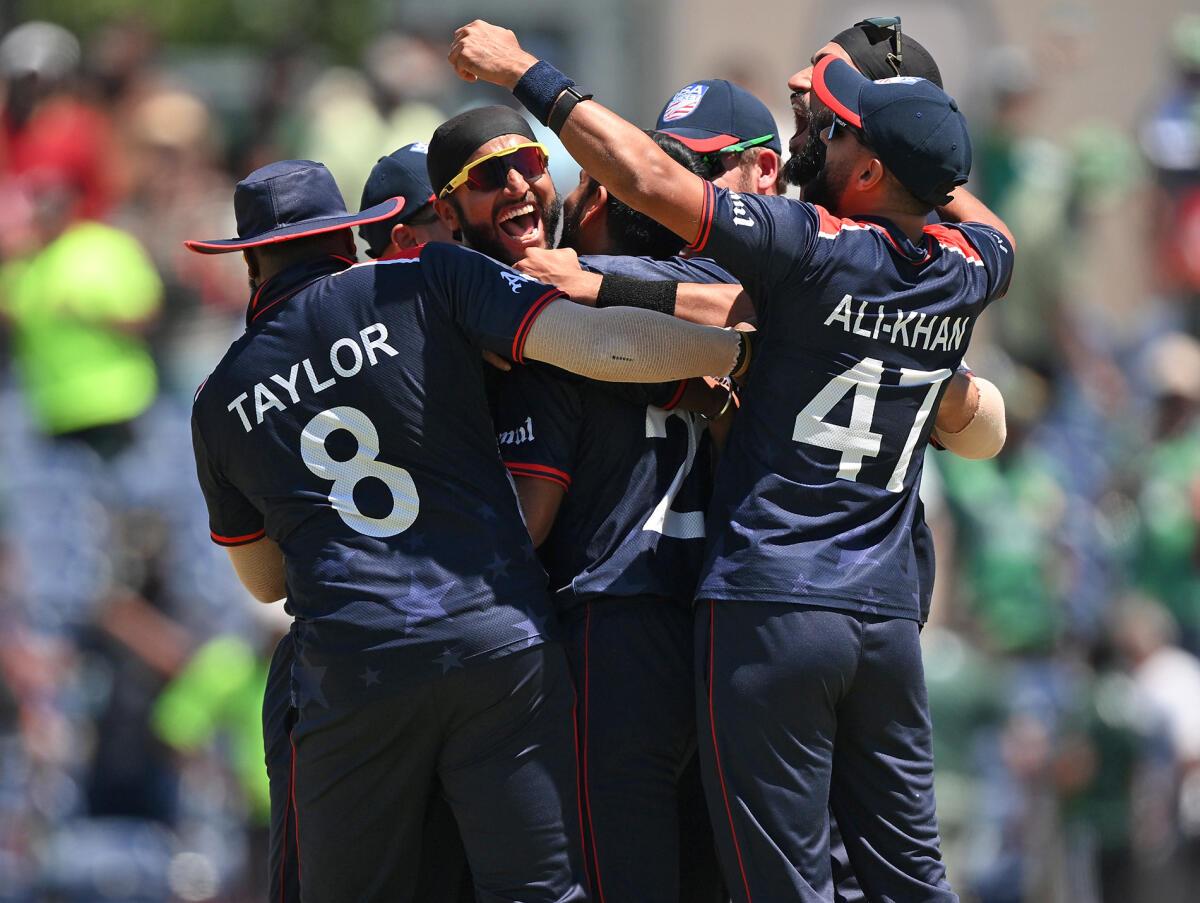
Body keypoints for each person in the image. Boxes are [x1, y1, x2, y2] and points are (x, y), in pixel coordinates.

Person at [449, 20, 1015, 902]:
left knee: (782, 884)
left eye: (829, 132)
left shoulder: (806, 246)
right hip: (883, 619)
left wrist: (525, 71)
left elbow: (648, 184)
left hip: (769, 608)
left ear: (867, 172)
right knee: (910, 878)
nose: (805, 146)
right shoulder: (974, 264)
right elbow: (976, 261)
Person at [186, 158, 748, 901]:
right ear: (350, 239)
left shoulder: (220, 398)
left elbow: (263, 581)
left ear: (252, 261)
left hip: (356, 667)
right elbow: (596, 344)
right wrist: (738, 353)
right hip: (498, 641)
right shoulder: (428, 278)